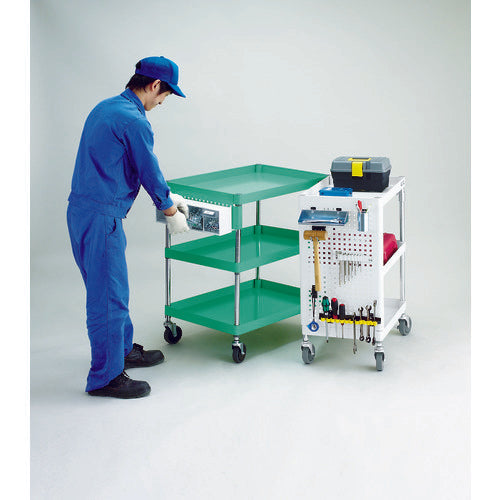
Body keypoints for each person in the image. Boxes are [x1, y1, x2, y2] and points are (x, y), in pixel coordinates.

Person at [67, 56, 189, 399]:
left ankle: (121, 351)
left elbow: (114, 161)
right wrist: (169, 209)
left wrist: (167, 196)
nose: (162, 102)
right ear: (154, 85)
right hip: (101, 217)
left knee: (110, 290)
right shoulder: (135, 121)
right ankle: (105, 377)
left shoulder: (105, 108)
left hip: (82, 211)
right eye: (165, 95)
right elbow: (147, 169)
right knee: (109, 297)